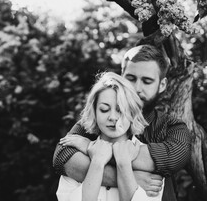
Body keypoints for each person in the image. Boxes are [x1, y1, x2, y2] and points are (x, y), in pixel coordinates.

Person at [53, 44, 191, 201]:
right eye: (130, 78)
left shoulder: (172, 127)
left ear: (162, 85)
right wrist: (132, 177)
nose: (137, 88)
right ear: (121, 77)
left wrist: (89, 148)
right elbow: (62, 156)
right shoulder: (96, 123)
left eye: (147, 81)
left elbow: (173, 159)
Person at [56, 71, 164, 201]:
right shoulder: (75, 157)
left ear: (132, 112)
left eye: (120, 110)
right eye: (104, 109)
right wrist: (97, 162)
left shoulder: (151, 164)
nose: (113, 117)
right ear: (94, 112)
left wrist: (124, 163)